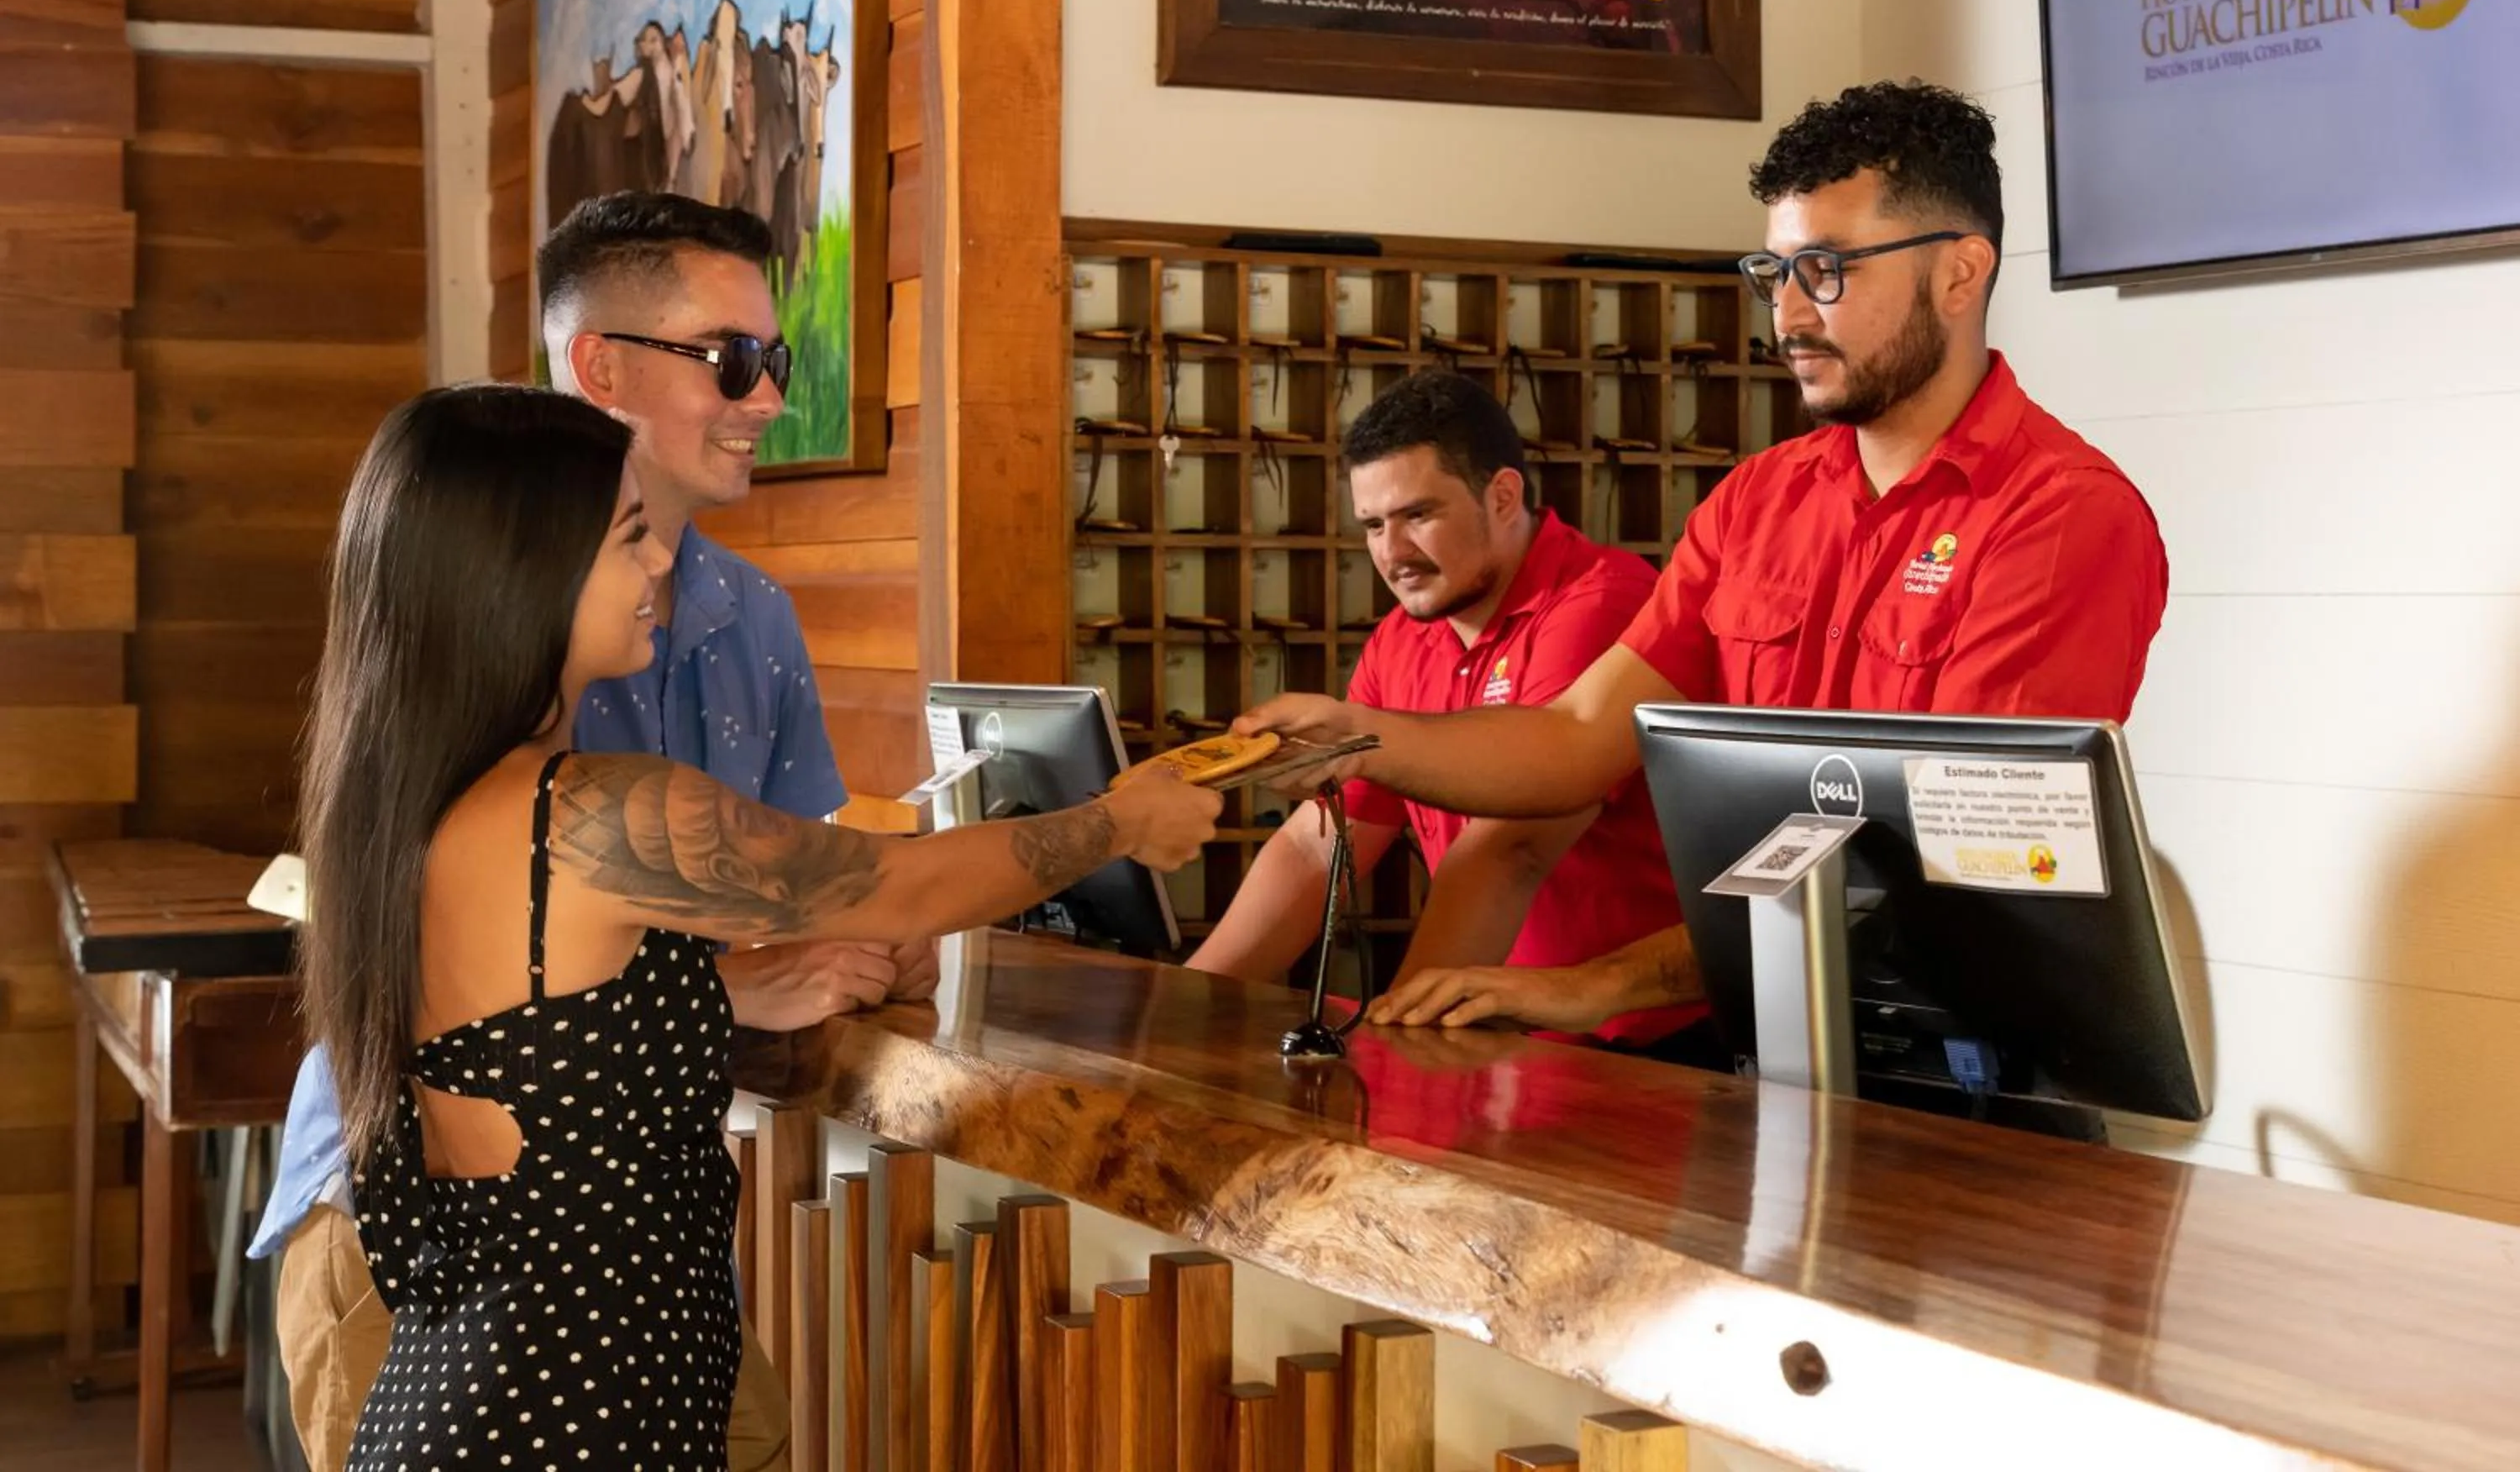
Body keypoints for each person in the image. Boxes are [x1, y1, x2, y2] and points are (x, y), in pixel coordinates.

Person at [301, 384, 1219, 1470]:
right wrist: (1120, 818)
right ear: (521, 569)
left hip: (490, 1392)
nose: (660, 568)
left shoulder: (422, 799)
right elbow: (902, 886)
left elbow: (522, 1031)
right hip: (562, 1415)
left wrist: (727, 989)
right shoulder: (593, 810)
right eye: (630, 535)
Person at [1239, 81, 2169, 1040]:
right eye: (1775, 272)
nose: (1789, 317)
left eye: (1828, 269)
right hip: (1766, 1046)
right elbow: (1577, 736)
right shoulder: (1756, 503)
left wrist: (1596, 982)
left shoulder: (2061, 516)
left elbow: (1944, 860)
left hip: (1955, 1076)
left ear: (1960, 275)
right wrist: (1358, 735)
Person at [254, 192, 916, 1472]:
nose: (768, 398)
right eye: (732, 360)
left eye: (779, 362)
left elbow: (814, 890)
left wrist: (873, 948)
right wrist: (737, 984)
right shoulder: (463, 598)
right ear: (599, 368)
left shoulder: (756, 619)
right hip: (427, 1227)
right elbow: (423, 917)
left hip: (632, 1250)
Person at [1187, 371, 1713, 1058]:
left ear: (1501, 496)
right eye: (1374, 525)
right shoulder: (1404, 638)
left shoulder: (1600, 606)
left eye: (1418, 516)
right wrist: (1191, 1002)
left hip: (1641, 1041)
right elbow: (1321, 843)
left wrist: (1392, 1046)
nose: (1392, 553)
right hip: (1502, 1028)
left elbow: (1511, 849)